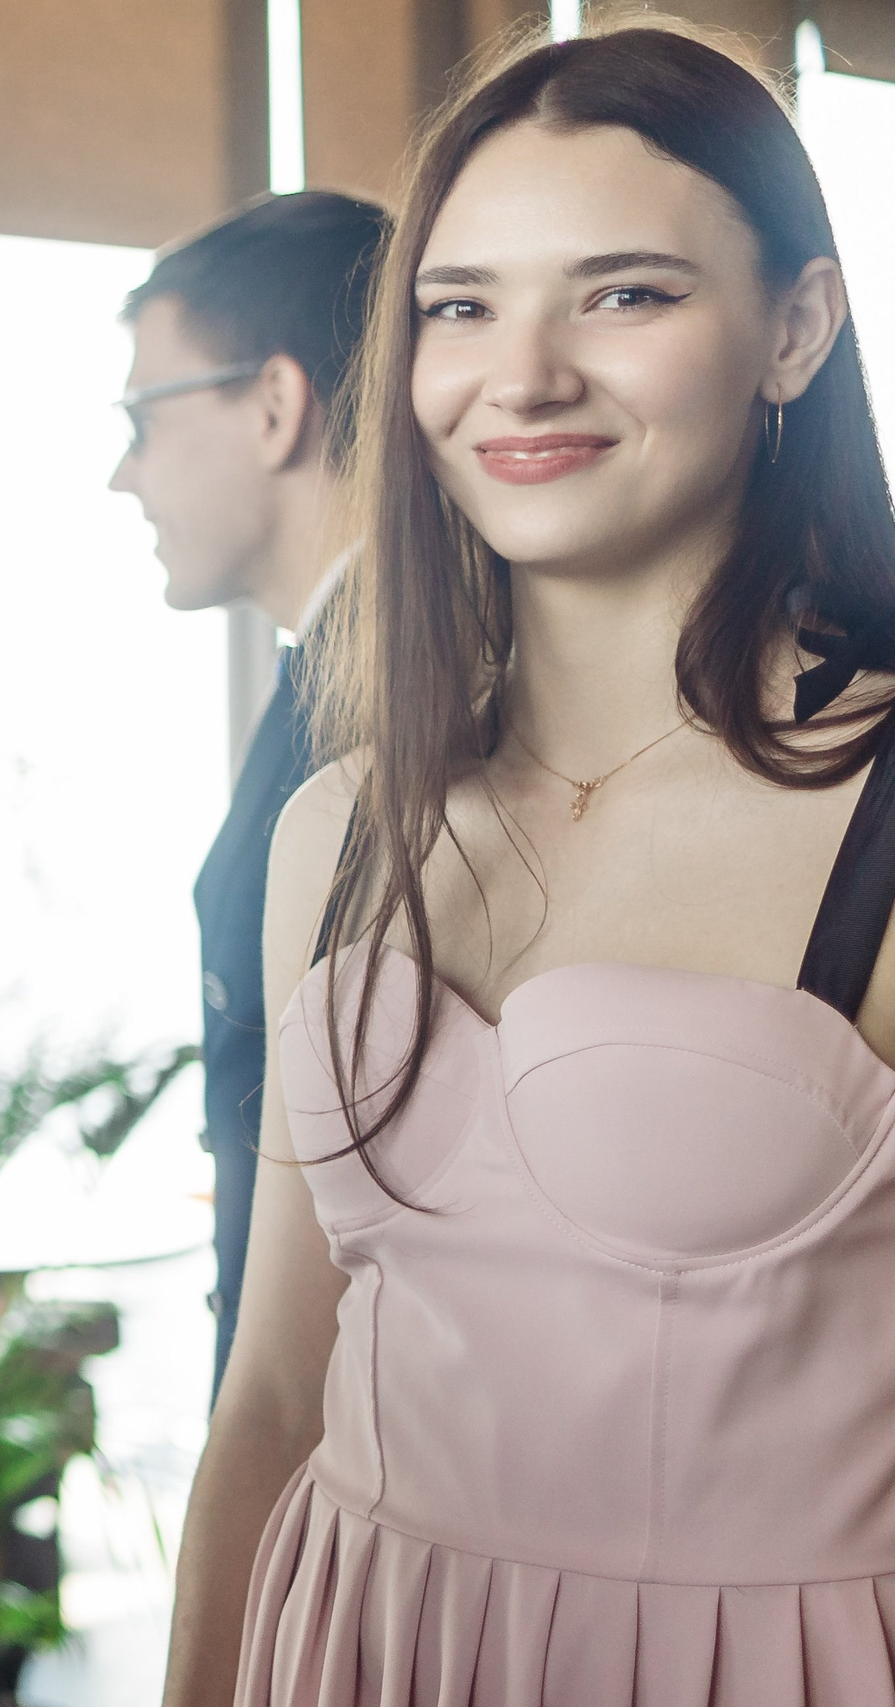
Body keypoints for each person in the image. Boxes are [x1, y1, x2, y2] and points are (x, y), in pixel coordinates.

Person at [164, 21, 895, 1703]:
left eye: (625, 295)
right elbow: (275, 1391)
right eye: (460, 305)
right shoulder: (339, 826)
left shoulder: (878, 804)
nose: (525, 374)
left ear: (794, 328)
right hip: (354, 1646)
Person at [110, 190, 390, 1395]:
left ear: (276, 404)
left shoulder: (385, 715)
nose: (121, 474)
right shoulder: (328, 678)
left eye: (142, 416)